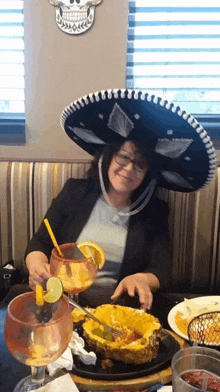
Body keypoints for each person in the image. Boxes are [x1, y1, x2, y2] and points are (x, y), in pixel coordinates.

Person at [25, 138, 171, 311]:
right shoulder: (75, 191)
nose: (129, 168)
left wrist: (142, 279)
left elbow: (161, 270)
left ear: (147, 172)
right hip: (62, 305)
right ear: (109, 156)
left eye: (140, 164)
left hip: (119, 311)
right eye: (123, 157)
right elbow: (40, 243)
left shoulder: (155, 211)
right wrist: (37, 268)